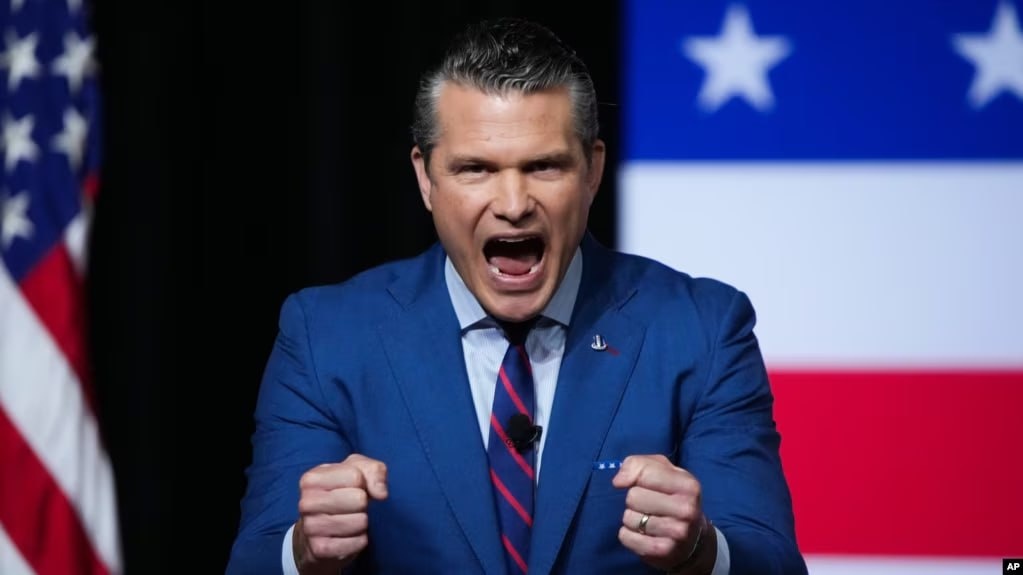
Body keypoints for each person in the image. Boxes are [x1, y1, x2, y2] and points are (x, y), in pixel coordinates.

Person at [226, 17, 805, 575]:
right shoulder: (325, 336)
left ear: (592, 170)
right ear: (426, 178)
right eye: (475, 169)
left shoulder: (702, 330)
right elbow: (255, 560)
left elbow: (772, 559)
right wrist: (304, 551)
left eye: (544, 166)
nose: (512, 204)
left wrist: (701, 549)